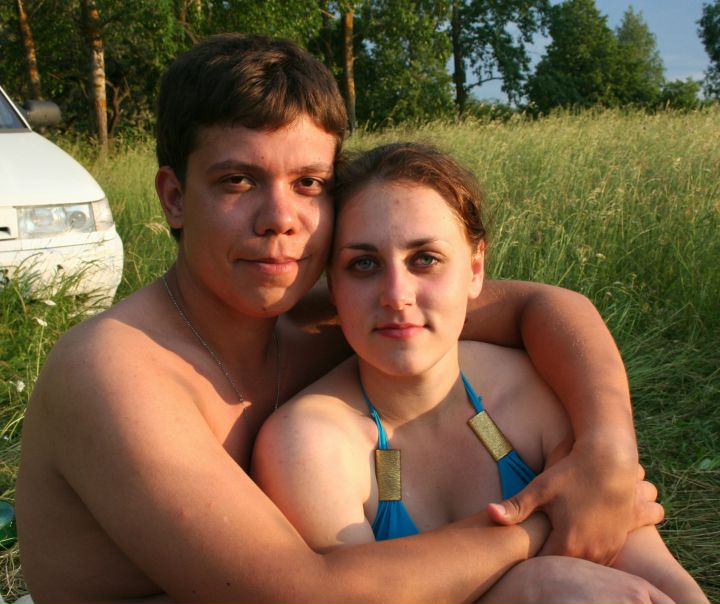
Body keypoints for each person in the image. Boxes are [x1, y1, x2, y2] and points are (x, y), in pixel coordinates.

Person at [15, 34, 660, 603]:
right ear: (175, 197)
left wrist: (606, 451)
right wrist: (544, 522)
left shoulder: (323, 316)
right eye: (237, 180)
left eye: (309, 183)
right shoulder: (115, 371)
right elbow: (303, 594)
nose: (280, 218)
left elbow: (543, 306)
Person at [252, 142, 709, 603]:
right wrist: (529, 585)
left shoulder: (527, 388)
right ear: (333, 286)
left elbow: (647, 564)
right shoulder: (306, 444)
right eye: (364, 264)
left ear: (474, 269)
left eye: (425, 259)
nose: (396, 295)